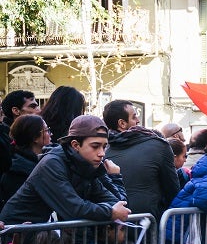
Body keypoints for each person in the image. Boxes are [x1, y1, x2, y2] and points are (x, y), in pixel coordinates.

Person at [0, 115, 129, 225]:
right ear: (75, 145)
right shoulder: (52, 164)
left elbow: (117, 202)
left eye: (104, 146)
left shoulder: (85, 163)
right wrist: (110, 212)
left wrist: (114, 180)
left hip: (38, 235)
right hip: (15, 234)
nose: (102, 153)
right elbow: (73, 208)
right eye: (95, 146)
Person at [103, 100, 180, 221]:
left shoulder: (102, 150)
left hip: (116, 223)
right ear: (122, 123)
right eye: (134, 117)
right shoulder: (158, 146)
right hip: (147, 223)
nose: (138, 120)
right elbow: (173, 191)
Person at [0, 115, 51, 205]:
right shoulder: (19, 171)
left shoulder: (41, 159)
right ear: (35, 138)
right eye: (47, 130)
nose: (51, 134)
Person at [0, 90, 40, 177]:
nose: (38, 111)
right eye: (33, 106)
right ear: (16, 110)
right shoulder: (3, 139)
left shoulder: (29, 133)